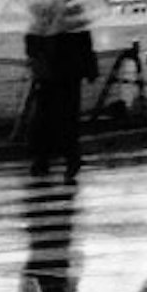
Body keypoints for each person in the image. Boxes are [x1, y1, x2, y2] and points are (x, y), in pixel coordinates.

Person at [22, 17, 94, 178]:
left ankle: (45, 159)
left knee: (45, 118)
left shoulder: (40, 22)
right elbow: (86, 46)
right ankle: (66, 159)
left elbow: (31, 47)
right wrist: (89, 70)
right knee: (64, 120)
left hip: (51, 77)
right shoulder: (74, 21)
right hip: (66, 78)